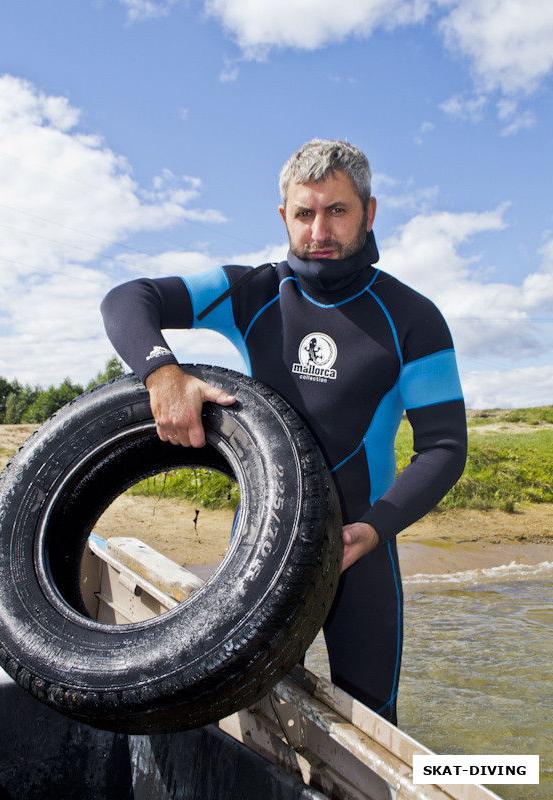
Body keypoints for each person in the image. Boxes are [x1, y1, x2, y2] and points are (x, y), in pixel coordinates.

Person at [101, 139, 467, 724]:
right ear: (284, 218)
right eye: (305, 212)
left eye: (337, 210)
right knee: (242, 710)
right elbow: (128, 298)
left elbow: (445, 447)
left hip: (360, 554)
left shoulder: (413, 318)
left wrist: (374, 530)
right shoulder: (254, 292)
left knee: (375, 725)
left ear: (369, 213)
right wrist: (161, 371)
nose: (319, 229)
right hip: (262, 550)